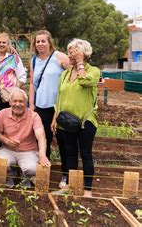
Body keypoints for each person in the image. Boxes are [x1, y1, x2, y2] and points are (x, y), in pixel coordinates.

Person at [51, 39, 100, 197]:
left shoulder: (93, 71)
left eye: (74, 52)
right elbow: (59, 97)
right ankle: (69, 187)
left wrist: (80, 63)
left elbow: (86, 81)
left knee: (86, 155)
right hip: (66, 122)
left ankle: (87, 190)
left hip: (85, 122)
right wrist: (55, 117)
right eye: (69, 51)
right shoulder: (65, 73)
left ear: (84, 54)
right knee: (70, 154)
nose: (70, 54)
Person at [28, 30, 69, 187]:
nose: (40, 44)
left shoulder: (59, 57)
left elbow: (73, 75)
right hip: (41, 107)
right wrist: (32, 106)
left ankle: (66, 175)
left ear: (50, 42)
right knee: (42, 141)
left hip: (59, 107)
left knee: (63, 142)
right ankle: (44, 172)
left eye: (43, 41)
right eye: (37, 42)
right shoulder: (33, 60)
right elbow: (32, 84)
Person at [0, 88, 50, 188]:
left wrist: (42, 154)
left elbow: (41, 136)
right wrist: (7, 141)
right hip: (8, 149)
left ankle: (24, 176)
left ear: (26, 102)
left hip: (28, 151)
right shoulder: (2, 113)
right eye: (15, 101)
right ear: (10, 102)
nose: (17, 104)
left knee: (32, 169)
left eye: (21, 101)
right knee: (0, 163)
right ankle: (10, 176)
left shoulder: (34, 116)